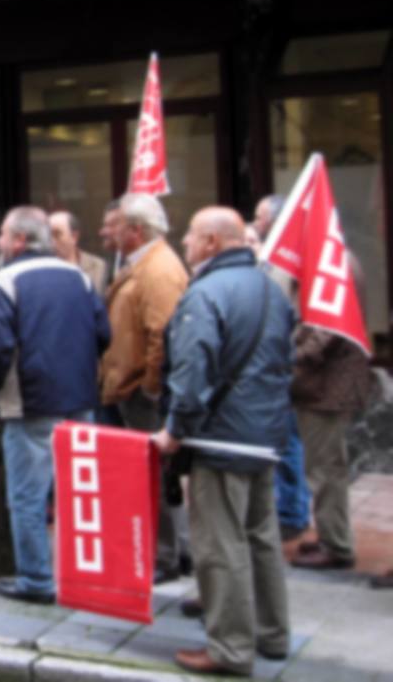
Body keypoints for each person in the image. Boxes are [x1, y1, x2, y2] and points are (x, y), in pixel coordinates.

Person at [153, 207, 295, 678]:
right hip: (263, 434)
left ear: (212, 241)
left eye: (191, 237)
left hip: (222, 438)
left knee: (221, 545)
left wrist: (176, 429)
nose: (186, 245)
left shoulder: (206, 293)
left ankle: (230, 649)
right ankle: (273, 636)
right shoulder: (270, 288)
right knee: (262, 538)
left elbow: (192, 372)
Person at [0, 206, 110, 604]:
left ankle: (36, 578)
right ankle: (78, 573)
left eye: (3, 234)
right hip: (81, 397)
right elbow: (103, 333)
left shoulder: (5, 280)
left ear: (19, 240)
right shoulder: (79, 278)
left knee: (28, 497)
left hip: (30, 401)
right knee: (76, 494)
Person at [100, 192, 189, 583]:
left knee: (156, 476)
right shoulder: (145, 263)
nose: (109, 231)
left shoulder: (158, 269)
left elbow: (162, 337)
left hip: (142, 394)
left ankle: (165, 557)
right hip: (132, 387)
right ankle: (171, 551)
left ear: (135, 231)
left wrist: (150, 388)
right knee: (154, 475)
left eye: (116, 224)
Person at [289, 253, 374, 570]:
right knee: (323, 467)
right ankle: (331, 535)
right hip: (322, 386)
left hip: (328, 388)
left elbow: (329, 330)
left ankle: (336, 544)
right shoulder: (332, 260)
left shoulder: (335, 264)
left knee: (326, 468)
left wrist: (292, 357)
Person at [254, 193, 311, 542]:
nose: (258, 224)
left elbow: (301, 321)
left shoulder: (292, 263)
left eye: (261, 218)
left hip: (286, 370)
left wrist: (287, 357)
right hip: (276, 368)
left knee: (289, 445)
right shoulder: (267, 262)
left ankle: (293, 512)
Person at [48, 210, 107, 296]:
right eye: (49, 236)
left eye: (57, 234)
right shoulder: (43, 268)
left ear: (74, 237)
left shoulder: (97, 266)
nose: (52, 242)